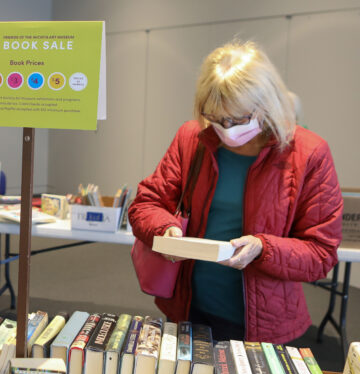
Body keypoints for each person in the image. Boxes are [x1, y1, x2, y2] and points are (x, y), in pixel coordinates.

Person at [128, 41, 343, 343]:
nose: (225, 130)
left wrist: (263, 248)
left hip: (262, 325)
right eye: (214, 118)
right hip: (188, 309)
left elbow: (321, 253)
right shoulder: (194, 138)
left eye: (237, 119)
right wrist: (167, 230)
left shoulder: (308, 154)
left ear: (266, 104)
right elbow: (146, 204)